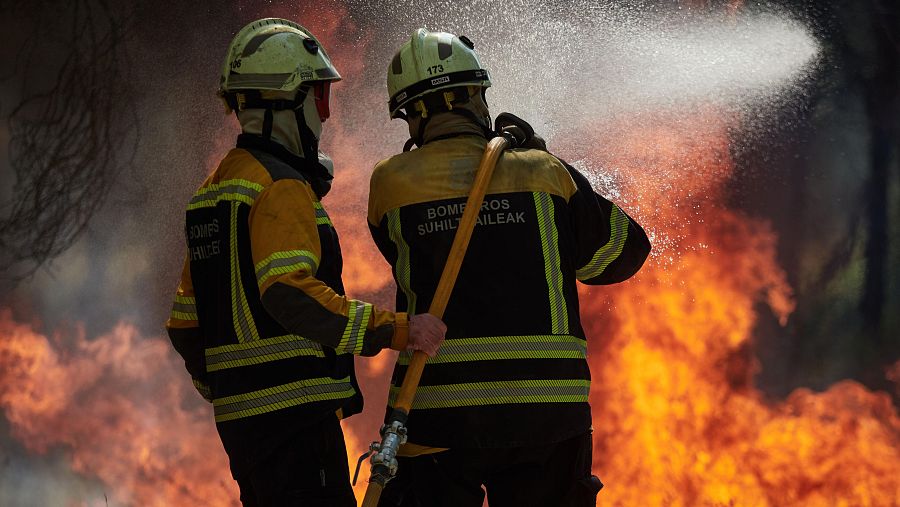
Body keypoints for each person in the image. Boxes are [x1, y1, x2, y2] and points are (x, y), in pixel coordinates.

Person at [165, 19, 446, 507]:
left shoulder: (214, 193)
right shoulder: (281, 186)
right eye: (319, 97)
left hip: (245, 428)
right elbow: (289, 293)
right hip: (294, 417)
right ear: (286, 101)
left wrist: (232, 391)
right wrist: (399, 331)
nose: (324, 116)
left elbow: (185, 325)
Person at [367, 29, 651, 507]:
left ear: (411, 115)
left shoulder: (390, 185)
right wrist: (545, 157)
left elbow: (401, 256)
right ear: (478, 96)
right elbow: (621, 255)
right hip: (546, 417)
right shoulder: (543, 172)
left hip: (440, 413)